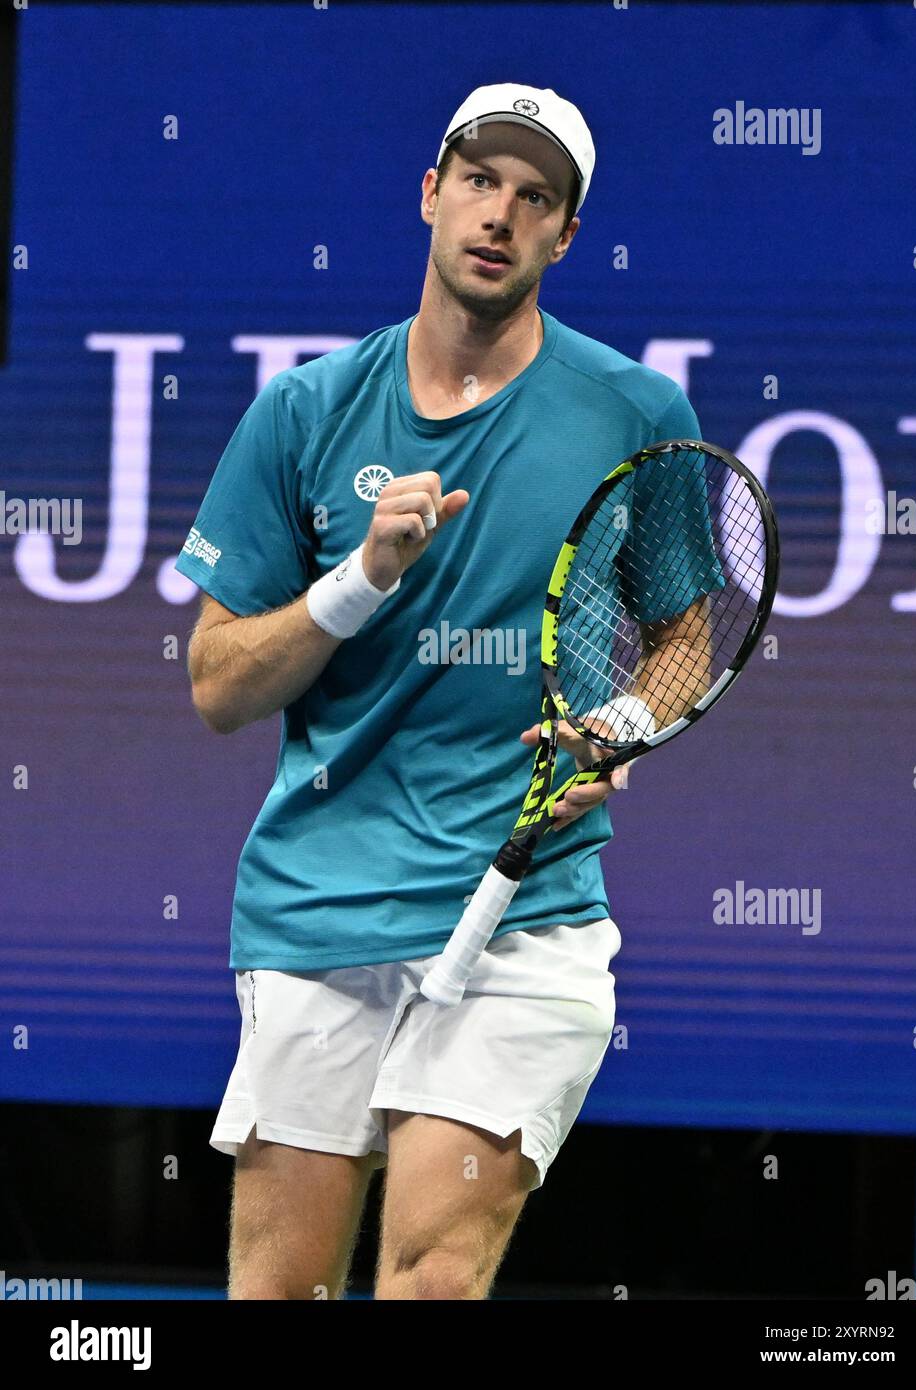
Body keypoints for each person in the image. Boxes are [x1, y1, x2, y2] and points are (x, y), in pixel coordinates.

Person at [176, 82, 704, 1301]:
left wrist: (622, 725)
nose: (499, 214)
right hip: (318, 910)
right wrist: (359, 580)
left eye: (536, 198)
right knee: (278, 1294)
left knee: (428, 1277)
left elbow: (687, 636)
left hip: (525, 916)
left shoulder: (635, 411)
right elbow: (215, 683)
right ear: (431, 192)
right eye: (479, 180)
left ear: (564, 237)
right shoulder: (302, 412)